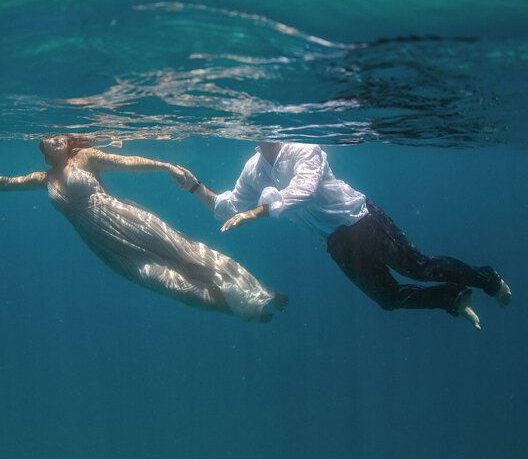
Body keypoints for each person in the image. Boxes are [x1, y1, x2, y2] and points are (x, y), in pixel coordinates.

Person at [0, 134, 288, 322]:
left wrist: (165, 166)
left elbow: (127, 162)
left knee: (191, 257)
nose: (52, 141)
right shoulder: (44, 179)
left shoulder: (85, 159)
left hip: (130, 220)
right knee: (170, 285)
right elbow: (8, 182)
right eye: (46, 139)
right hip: (104, 245)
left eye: (58, 137)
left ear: (69, 143)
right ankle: (245, 308)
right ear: (42, 150)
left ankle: (265, 293)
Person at [179, 141, 510, 329]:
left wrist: (255, 213)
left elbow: (303, 191)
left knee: (419, 267)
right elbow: (230, 204)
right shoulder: (254, 168)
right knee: (388, 299)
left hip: (361, 219)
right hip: (335, 241)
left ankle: (487, 279)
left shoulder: (304, 147)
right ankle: (452, 298)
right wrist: (194, 186)